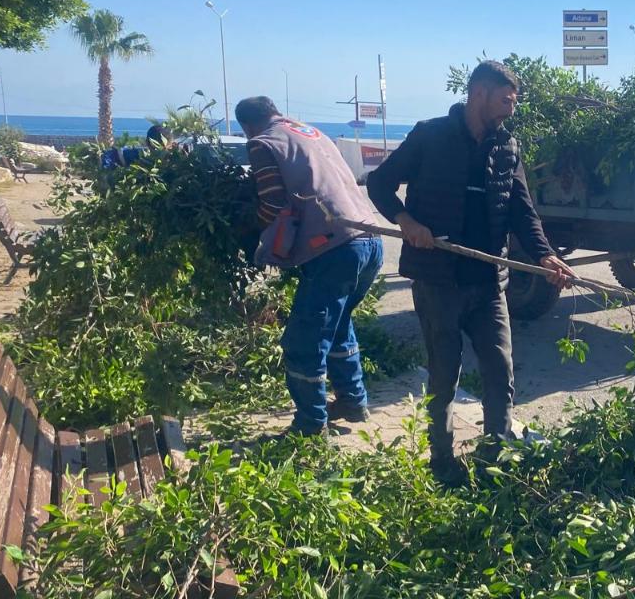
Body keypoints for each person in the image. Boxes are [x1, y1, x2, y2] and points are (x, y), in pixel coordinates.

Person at [366, 60, 573, 485]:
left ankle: (493, 455)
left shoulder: (507, 147)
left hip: (489, 281)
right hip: (437, 277)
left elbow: (523, 212)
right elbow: (380, 183)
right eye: (505, 99)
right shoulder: (430, 136)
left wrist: (545, 256)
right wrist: (406, 221)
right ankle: (441, 461)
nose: (510, 109)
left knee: (500, 369)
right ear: (478, 92)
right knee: (443, 374)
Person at [237, 96, 385, 437]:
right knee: (338, 324)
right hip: (370, 240)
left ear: (247, 127)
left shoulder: (262, 143)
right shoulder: (312, 133)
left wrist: (245, 228)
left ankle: (310, 425)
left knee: (303, 341)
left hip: (334, 249)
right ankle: (352, 401)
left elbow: (272, 201)